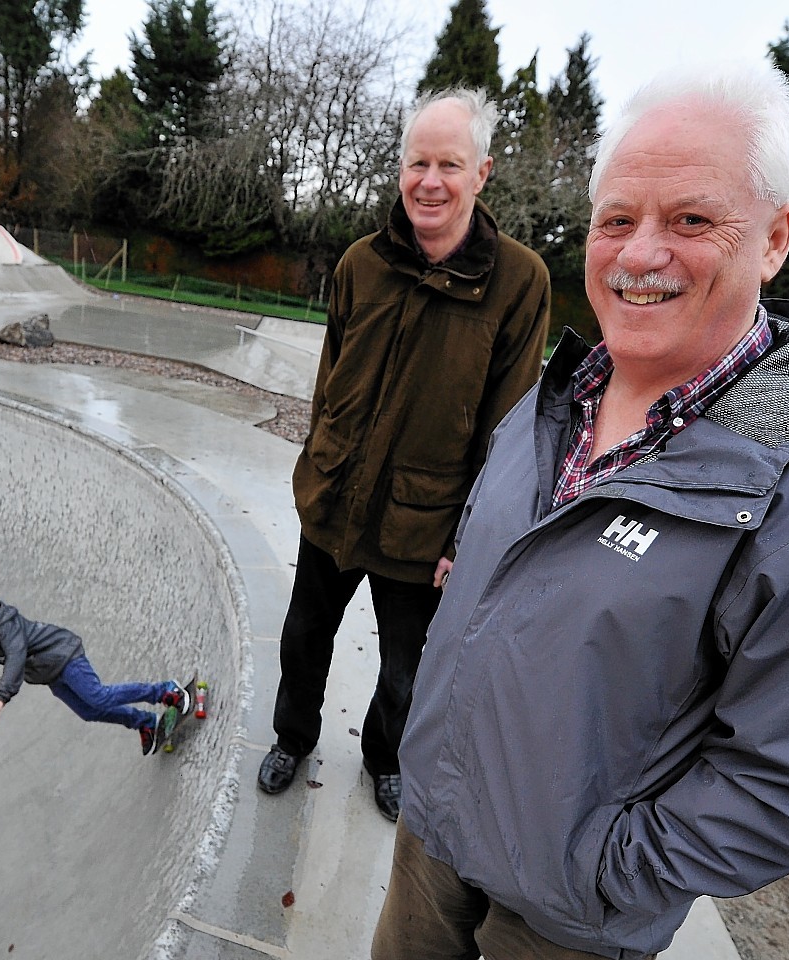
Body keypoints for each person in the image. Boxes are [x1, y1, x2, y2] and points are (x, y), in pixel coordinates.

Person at [373, 60, 789, 959]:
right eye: (617, 220)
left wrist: (602, 869)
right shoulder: (554, 401)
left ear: (777, 237)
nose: (638, 255)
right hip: (432, 830)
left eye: (692, 220)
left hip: (564, 917)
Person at [256, 88, 551, 821]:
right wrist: (316, 469)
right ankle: (293, 738)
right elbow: (329, 381)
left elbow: (509, 426)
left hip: (425, 528)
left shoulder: (519, 283)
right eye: (418, 161)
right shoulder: (361, 263)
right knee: (303, 640)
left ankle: (384, 758)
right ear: (400, 170)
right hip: (333, 500)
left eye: (448, 163)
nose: (430, 180)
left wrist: (465, 538)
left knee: (405, 672)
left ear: (481, 173)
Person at [0, 584, 190, 756]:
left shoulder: (2, 624)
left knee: (98, 697)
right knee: (88, 711)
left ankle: (165, 691)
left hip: (64, 654)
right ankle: (145, 723)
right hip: (49, 672)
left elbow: (16, 656)